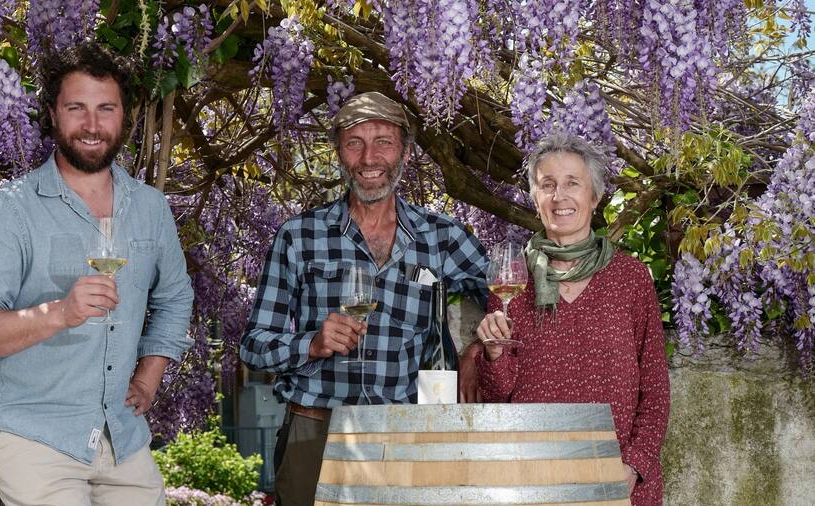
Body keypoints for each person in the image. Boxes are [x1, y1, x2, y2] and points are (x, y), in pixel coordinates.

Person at [0, 42, 194, 505]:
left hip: (119, 433)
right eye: (76, 108)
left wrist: (147, 379)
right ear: (52, 113)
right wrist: (60, 312)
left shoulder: (149, 208)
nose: (92, 125)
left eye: (106, 108)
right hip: (32, 431)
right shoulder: (8, 211)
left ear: (125, 116)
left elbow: (176, 298)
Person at [240, 91, 488, 505]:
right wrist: (312, 344)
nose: (369, 158)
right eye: (354, 143)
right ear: (339, 152)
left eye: (383, 142)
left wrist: (474, 351)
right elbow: (254, 346)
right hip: (314, 430)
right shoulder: (299, 236)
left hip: (406, 434)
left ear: (405, 152)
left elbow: (508, 300)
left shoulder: (442, 238)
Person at [473, 131, 670, 506]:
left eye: (572, 184)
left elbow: (656, 388)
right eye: (547, 185)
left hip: (616, 478)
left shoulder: (630, 278)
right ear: (535, 198)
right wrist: (494, 356)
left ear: (594, 197)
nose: (559, 196)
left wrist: (634, 466)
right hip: (533, 475)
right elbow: (499, 394)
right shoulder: (513, 280)